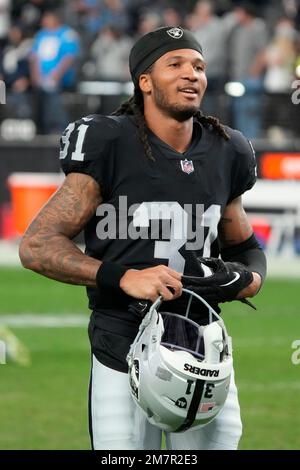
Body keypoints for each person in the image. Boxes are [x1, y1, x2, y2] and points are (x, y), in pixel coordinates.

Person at [19, 26, 267, 450]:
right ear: (144, 82)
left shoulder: (228, 149)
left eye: (199, 66)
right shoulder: (110, 140)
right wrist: (123, 276)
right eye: (176, 64)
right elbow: (38, 245)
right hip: (122, 341)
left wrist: (249, 279)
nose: (192, 74)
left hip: (202, 339)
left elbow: (244, 246)